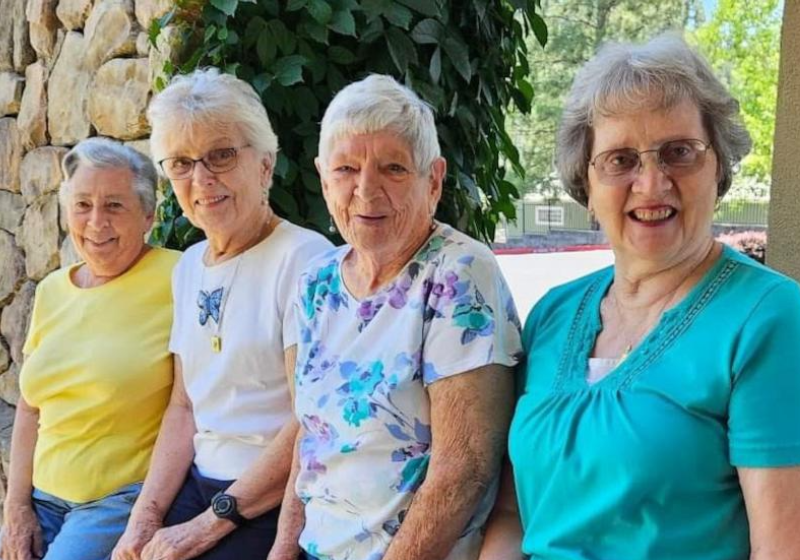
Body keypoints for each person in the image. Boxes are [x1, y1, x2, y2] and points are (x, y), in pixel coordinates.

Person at [480, 34, 800, 560]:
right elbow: (514, 513)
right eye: (621, 159)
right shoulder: (552, 314)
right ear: (586, 181)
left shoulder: (767, 317)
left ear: (718, 165)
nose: (651, 184)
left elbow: (781, 550)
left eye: (679, 153)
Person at [267, 74, 523, 560]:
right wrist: (282, 550)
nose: (366, 191)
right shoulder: (315, 281)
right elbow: (311, 437)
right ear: (323, 178)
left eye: (393, 168)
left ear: (434, 179)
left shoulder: (459, 273)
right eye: (346, 169)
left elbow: (463, 468)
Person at [111, 69, 332, 560]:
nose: (202, 178)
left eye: (222, 154)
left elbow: (308, 421)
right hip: (200, 484)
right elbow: (184, 408)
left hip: (273, 497)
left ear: (265, 165)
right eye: (182, 163)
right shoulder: (188, 266)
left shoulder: (304, 259)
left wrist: (205, 528)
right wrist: (142, 521)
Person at [0, 138, 180, 560]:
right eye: (83, 205)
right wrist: (16, 507)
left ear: (148, 215)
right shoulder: (51, 291)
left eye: (115, 205)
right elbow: (30, 408)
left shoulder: (179, 276)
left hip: (116, 501)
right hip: (41, 497)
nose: (96, 222)